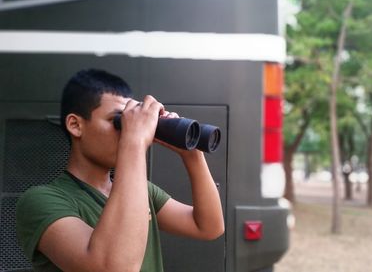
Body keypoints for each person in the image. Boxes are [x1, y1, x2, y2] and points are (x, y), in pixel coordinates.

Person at [16, 68, 224, 272]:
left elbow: (208, 226)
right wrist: (134, 142)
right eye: (118, 121)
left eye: (129, 121)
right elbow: (114, 267)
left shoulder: (142, 191)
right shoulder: (41, 200)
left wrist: (192, 155)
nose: (127, 131)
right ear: (75, 125)